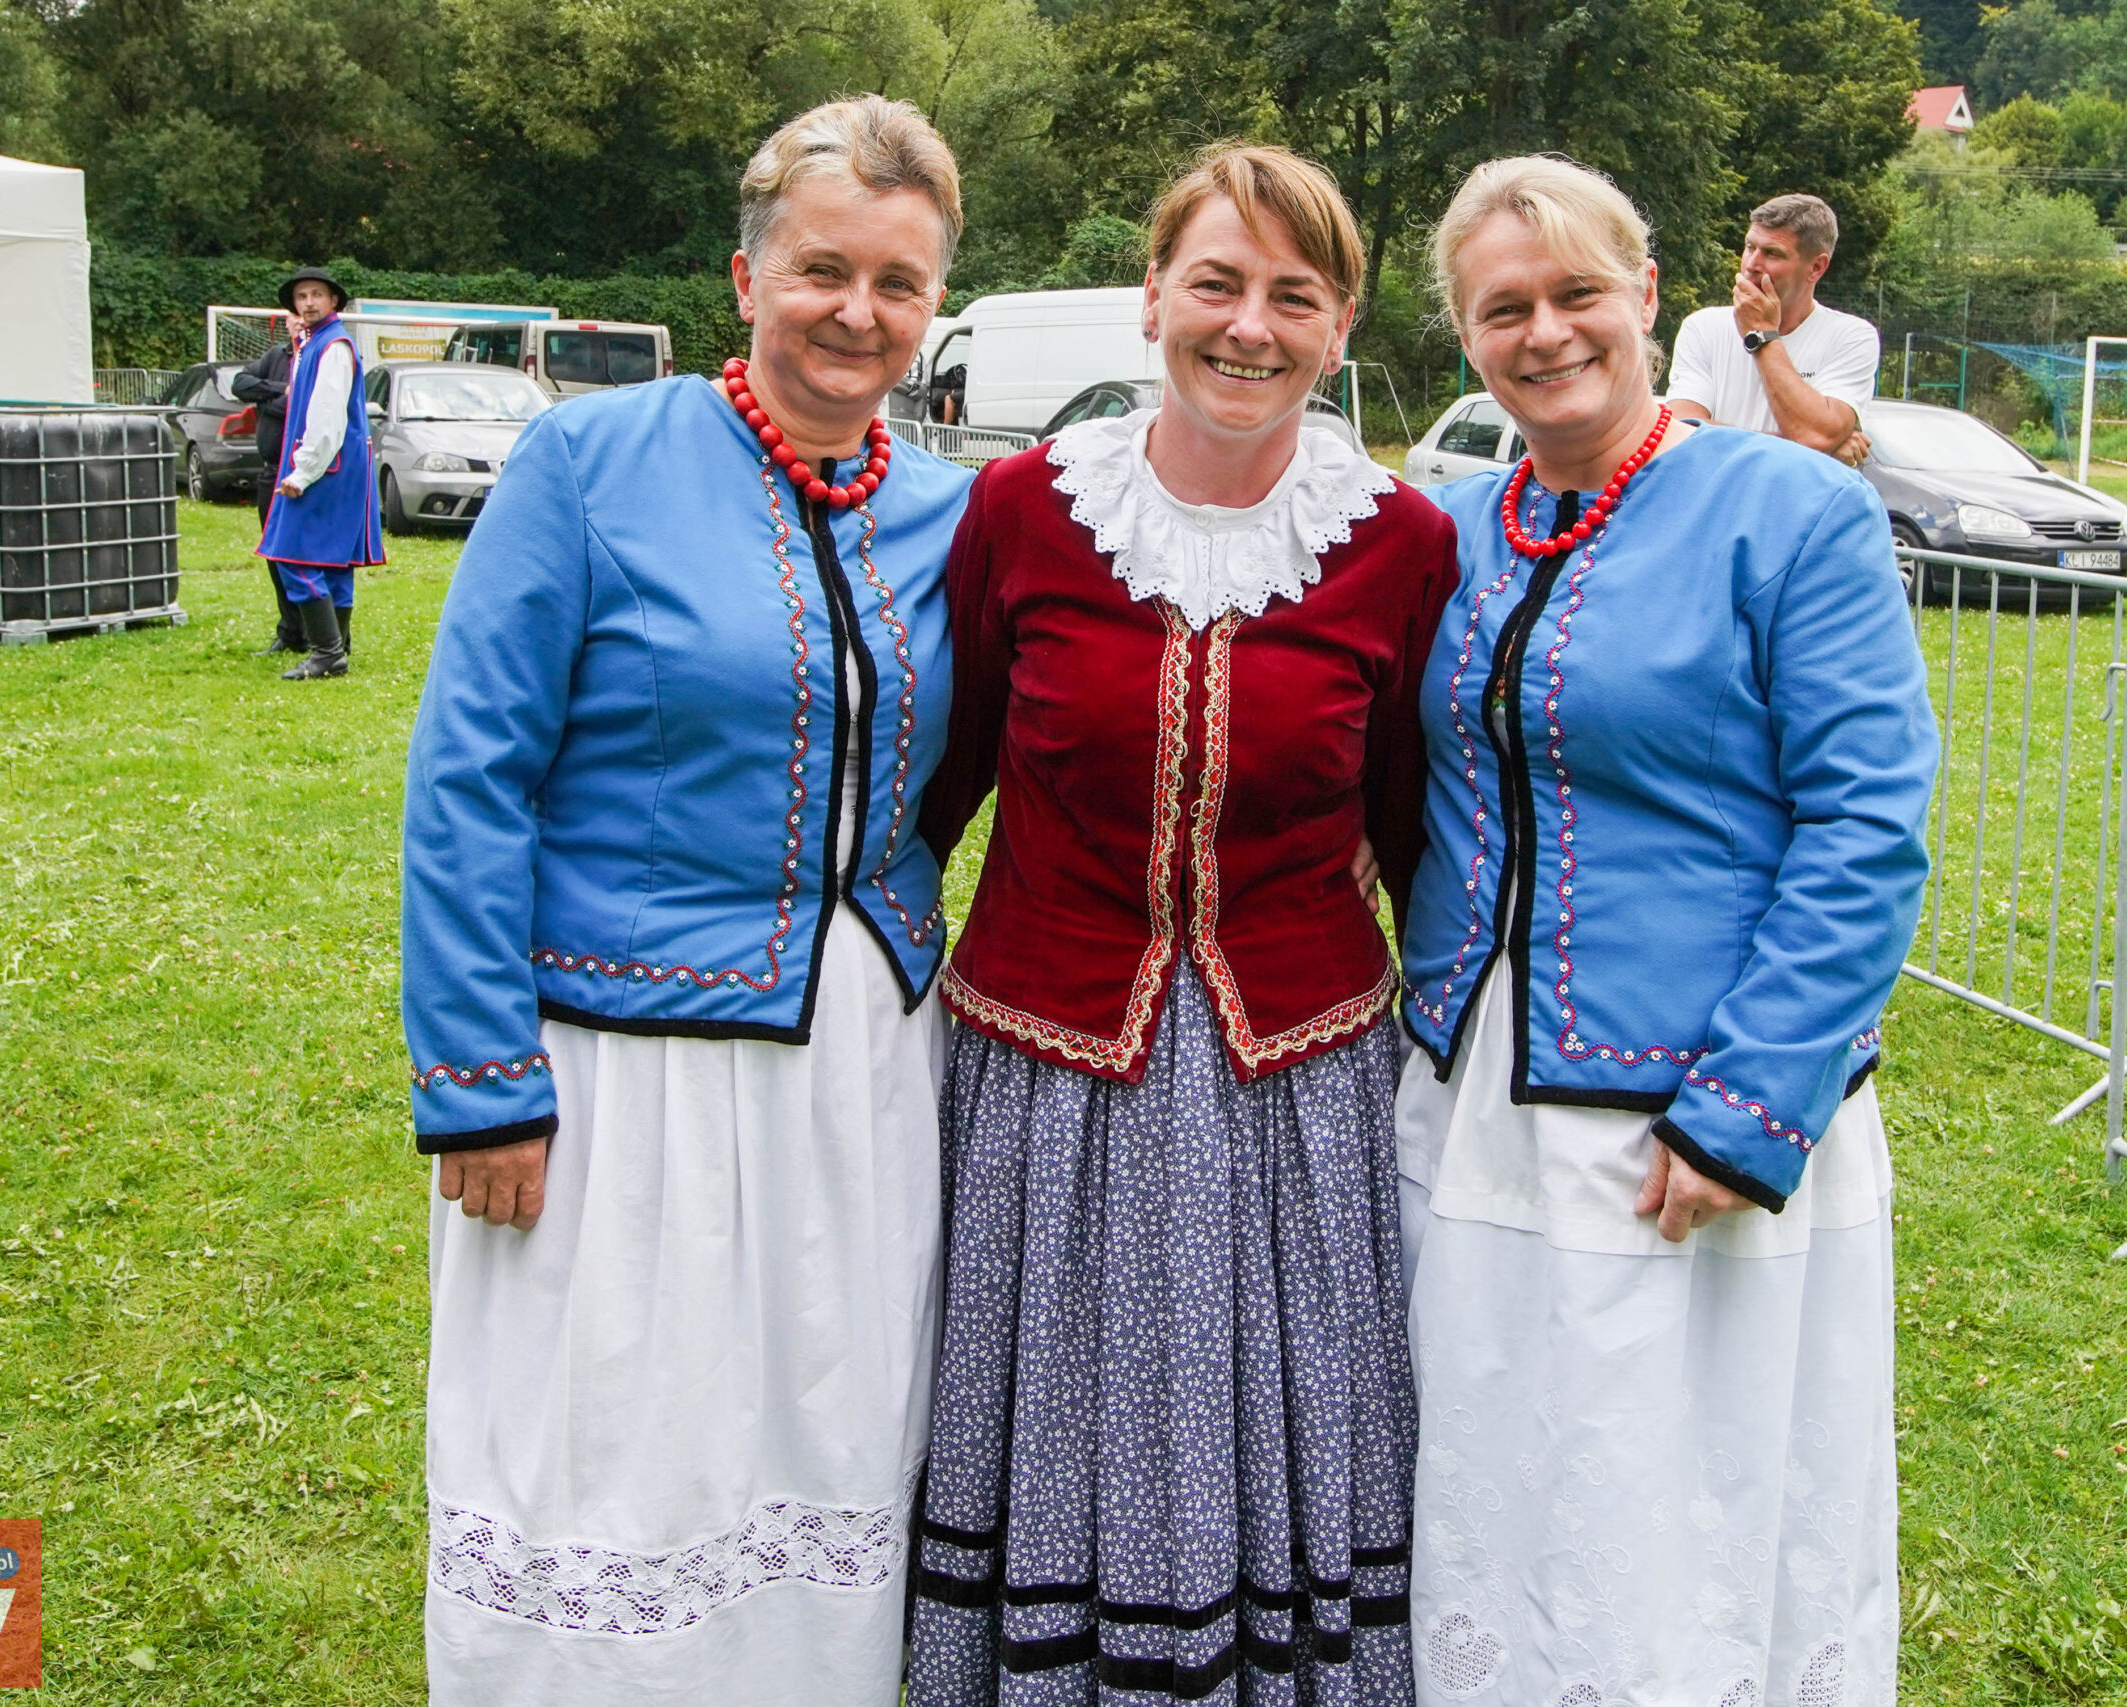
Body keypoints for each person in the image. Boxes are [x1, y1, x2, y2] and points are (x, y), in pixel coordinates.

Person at [398, 96, 972, 1705]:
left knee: (827, 1412)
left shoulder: (950, 510)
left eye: (898, 281)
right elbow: (470, 778)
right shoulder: (590, 463)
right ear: (745, 275)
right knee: (613, 1432)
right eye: (822, 269)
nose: (857, 311)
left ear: (933, 304)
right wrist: (481, 1080)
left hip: (860, 1065)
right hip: (618, 1068)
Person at [908, 143, 1459, 1706]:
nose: (1249, 325)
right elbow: (937, 786)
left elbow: (1421, 825)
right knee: (1054, 1413)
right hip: (1047, 1076)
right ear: (1152, 297)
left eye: (1296, 294)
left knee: (1289, 1420)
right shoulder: (1024, 508)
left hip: (1299, 1086)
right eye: (1216, 282)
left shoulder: (1401, 542)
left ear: (1340, 326)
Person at [1394, 157, 1937, 1706]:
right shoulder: (1451, 530)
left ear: (1645, 294)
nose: (1546, 331)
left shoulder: (1795, 513)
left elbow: (1866, 823)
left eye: (1578, 292)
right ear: (1466, 334)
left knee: (1675, 1492)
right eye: (1505, 307)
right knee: (1500, 1465)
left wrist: (1750, 1104)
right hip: (1477, 1092)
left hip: (1688, 1108)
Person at [1664, 193, 1880, 465]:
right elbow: (1682, 431)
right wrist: (1808, 448)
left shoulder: (1851, 337)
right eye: (1749, 247)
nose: (1751, 264)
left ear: (1816, 267)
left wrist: (1762, 335)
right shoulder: (1703, 327)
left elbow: (1815, 435)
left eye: (1772, 253)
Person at [257, 265, 384, 679]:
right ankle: (337, 645)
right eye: (301, 296)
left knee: (292, 553)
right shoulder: (313, 343)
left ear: (333, 300)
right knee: (334, 561)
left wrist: (302, 472)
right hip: (338, 466)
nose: (308, 303)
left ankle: (327, 652)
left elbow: (327, 417)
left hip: (329, 467)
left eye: (316, 294)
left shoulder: (333, 346)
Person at [229, 328, 300, 654]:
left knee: (302, 554)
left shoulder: (323, 356)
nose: (299, 319)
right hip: (270, 474)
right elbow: (240, 384)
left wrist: (266, 402)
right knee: (274, 552)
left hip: (303, 474)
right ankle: (289, 631)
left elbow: (298, 407)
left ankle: (320, 633)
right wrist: (278, 390)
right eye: (293, 312)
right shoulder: (276, 357)